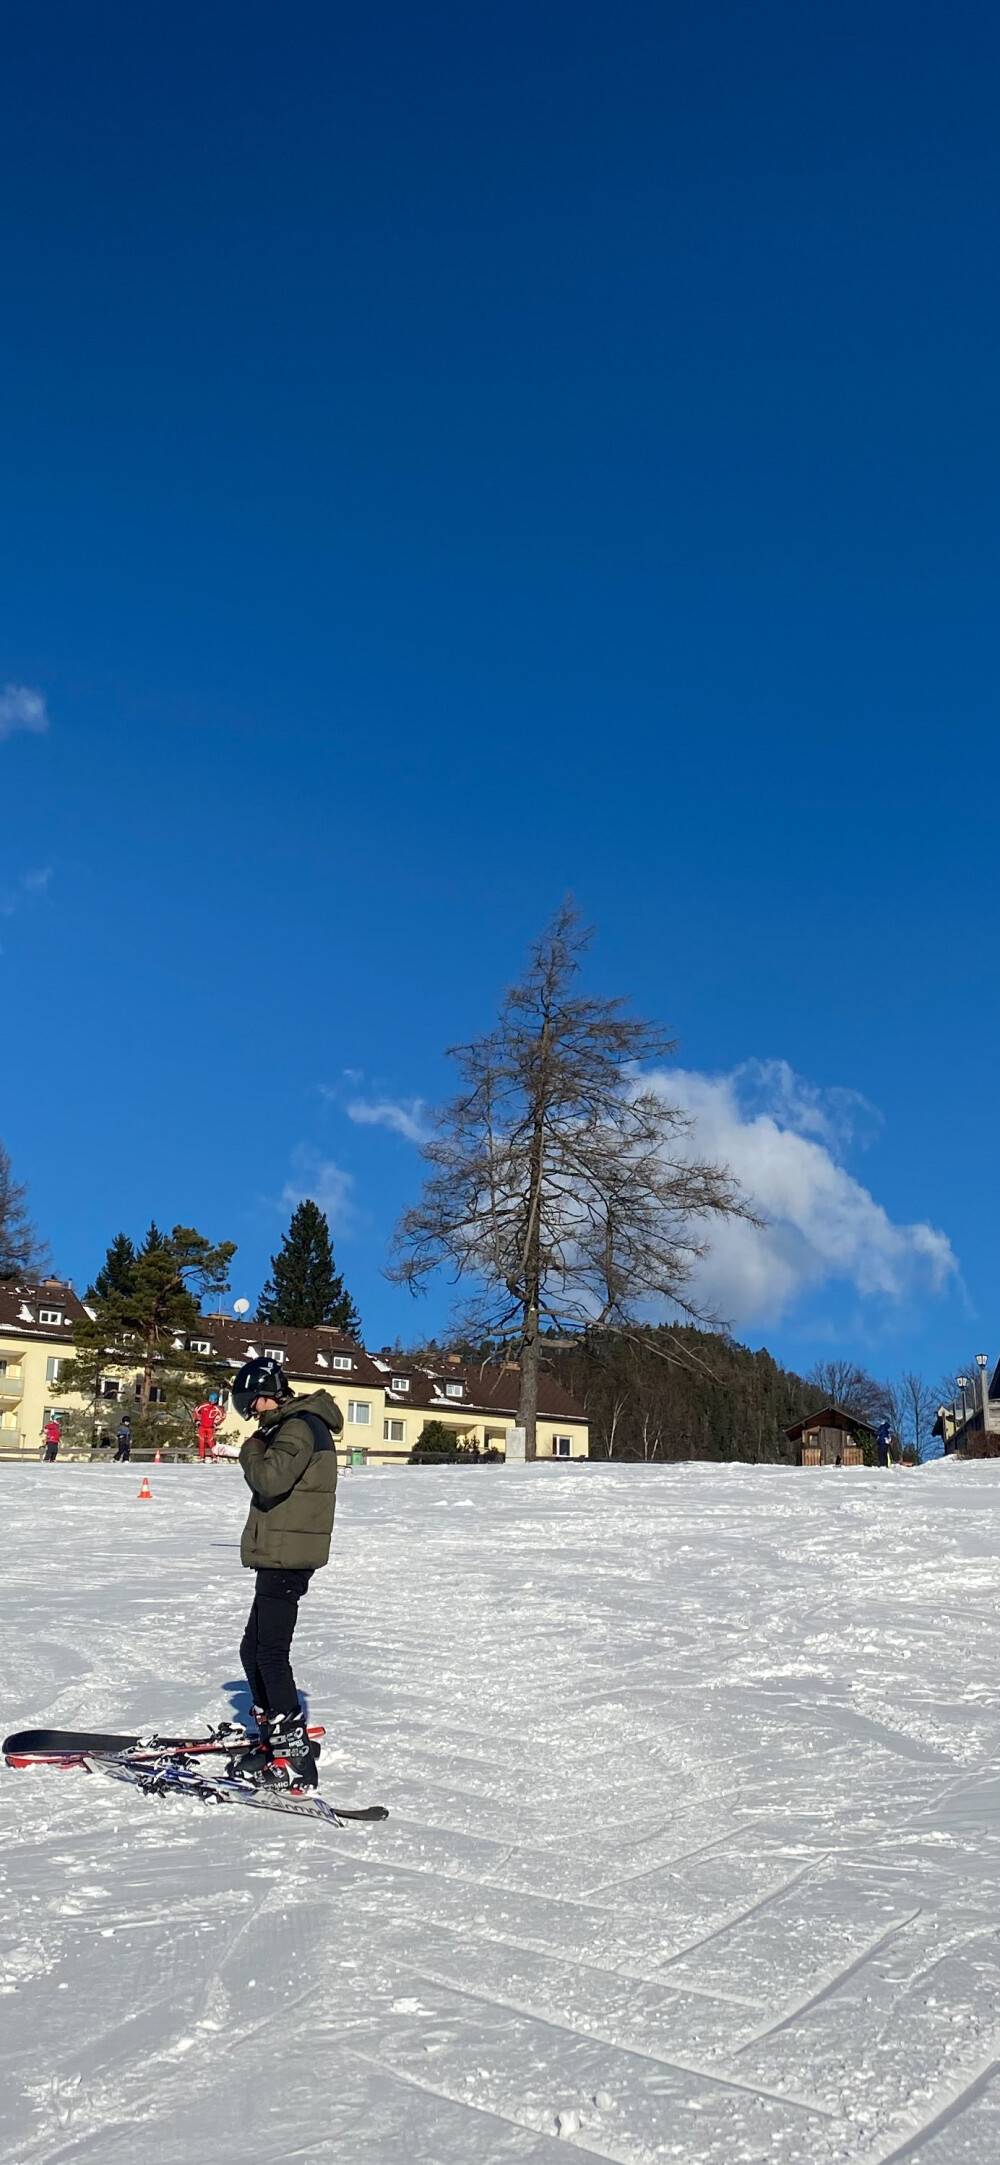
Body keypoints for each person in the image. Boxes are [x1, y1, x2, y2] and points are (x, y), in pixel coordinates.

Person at [228, 1355, 341, 1789]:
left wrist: (251, 1450)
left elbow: (271, 1480)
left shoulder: (298, 1426)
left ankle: (293, 1753)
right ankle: (273, 1738)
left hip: (289, 1554)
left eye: (251, 1405)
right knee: (252, 1650)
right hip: (280, 1550)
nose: (251, 1415)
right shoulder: (295, 1424)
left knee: (269, 1653)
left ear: (264, 1396)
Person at [192, 1393, 225, 1462]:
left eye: (213, 1400)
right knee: (201, 1441)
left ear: (216, 1400)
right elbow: (196, 1410)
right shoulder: (204, 1405)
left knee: (211, 1442)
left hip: (210, 1428)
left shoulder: (217, 1408)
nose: (211, 1401)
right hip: (202, 1426)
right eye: (210, 1399)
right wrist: (197, 1420)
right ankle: (202, 1457)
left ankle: (214, 1457)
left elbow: (223, 1416)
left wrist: (216, 1423)